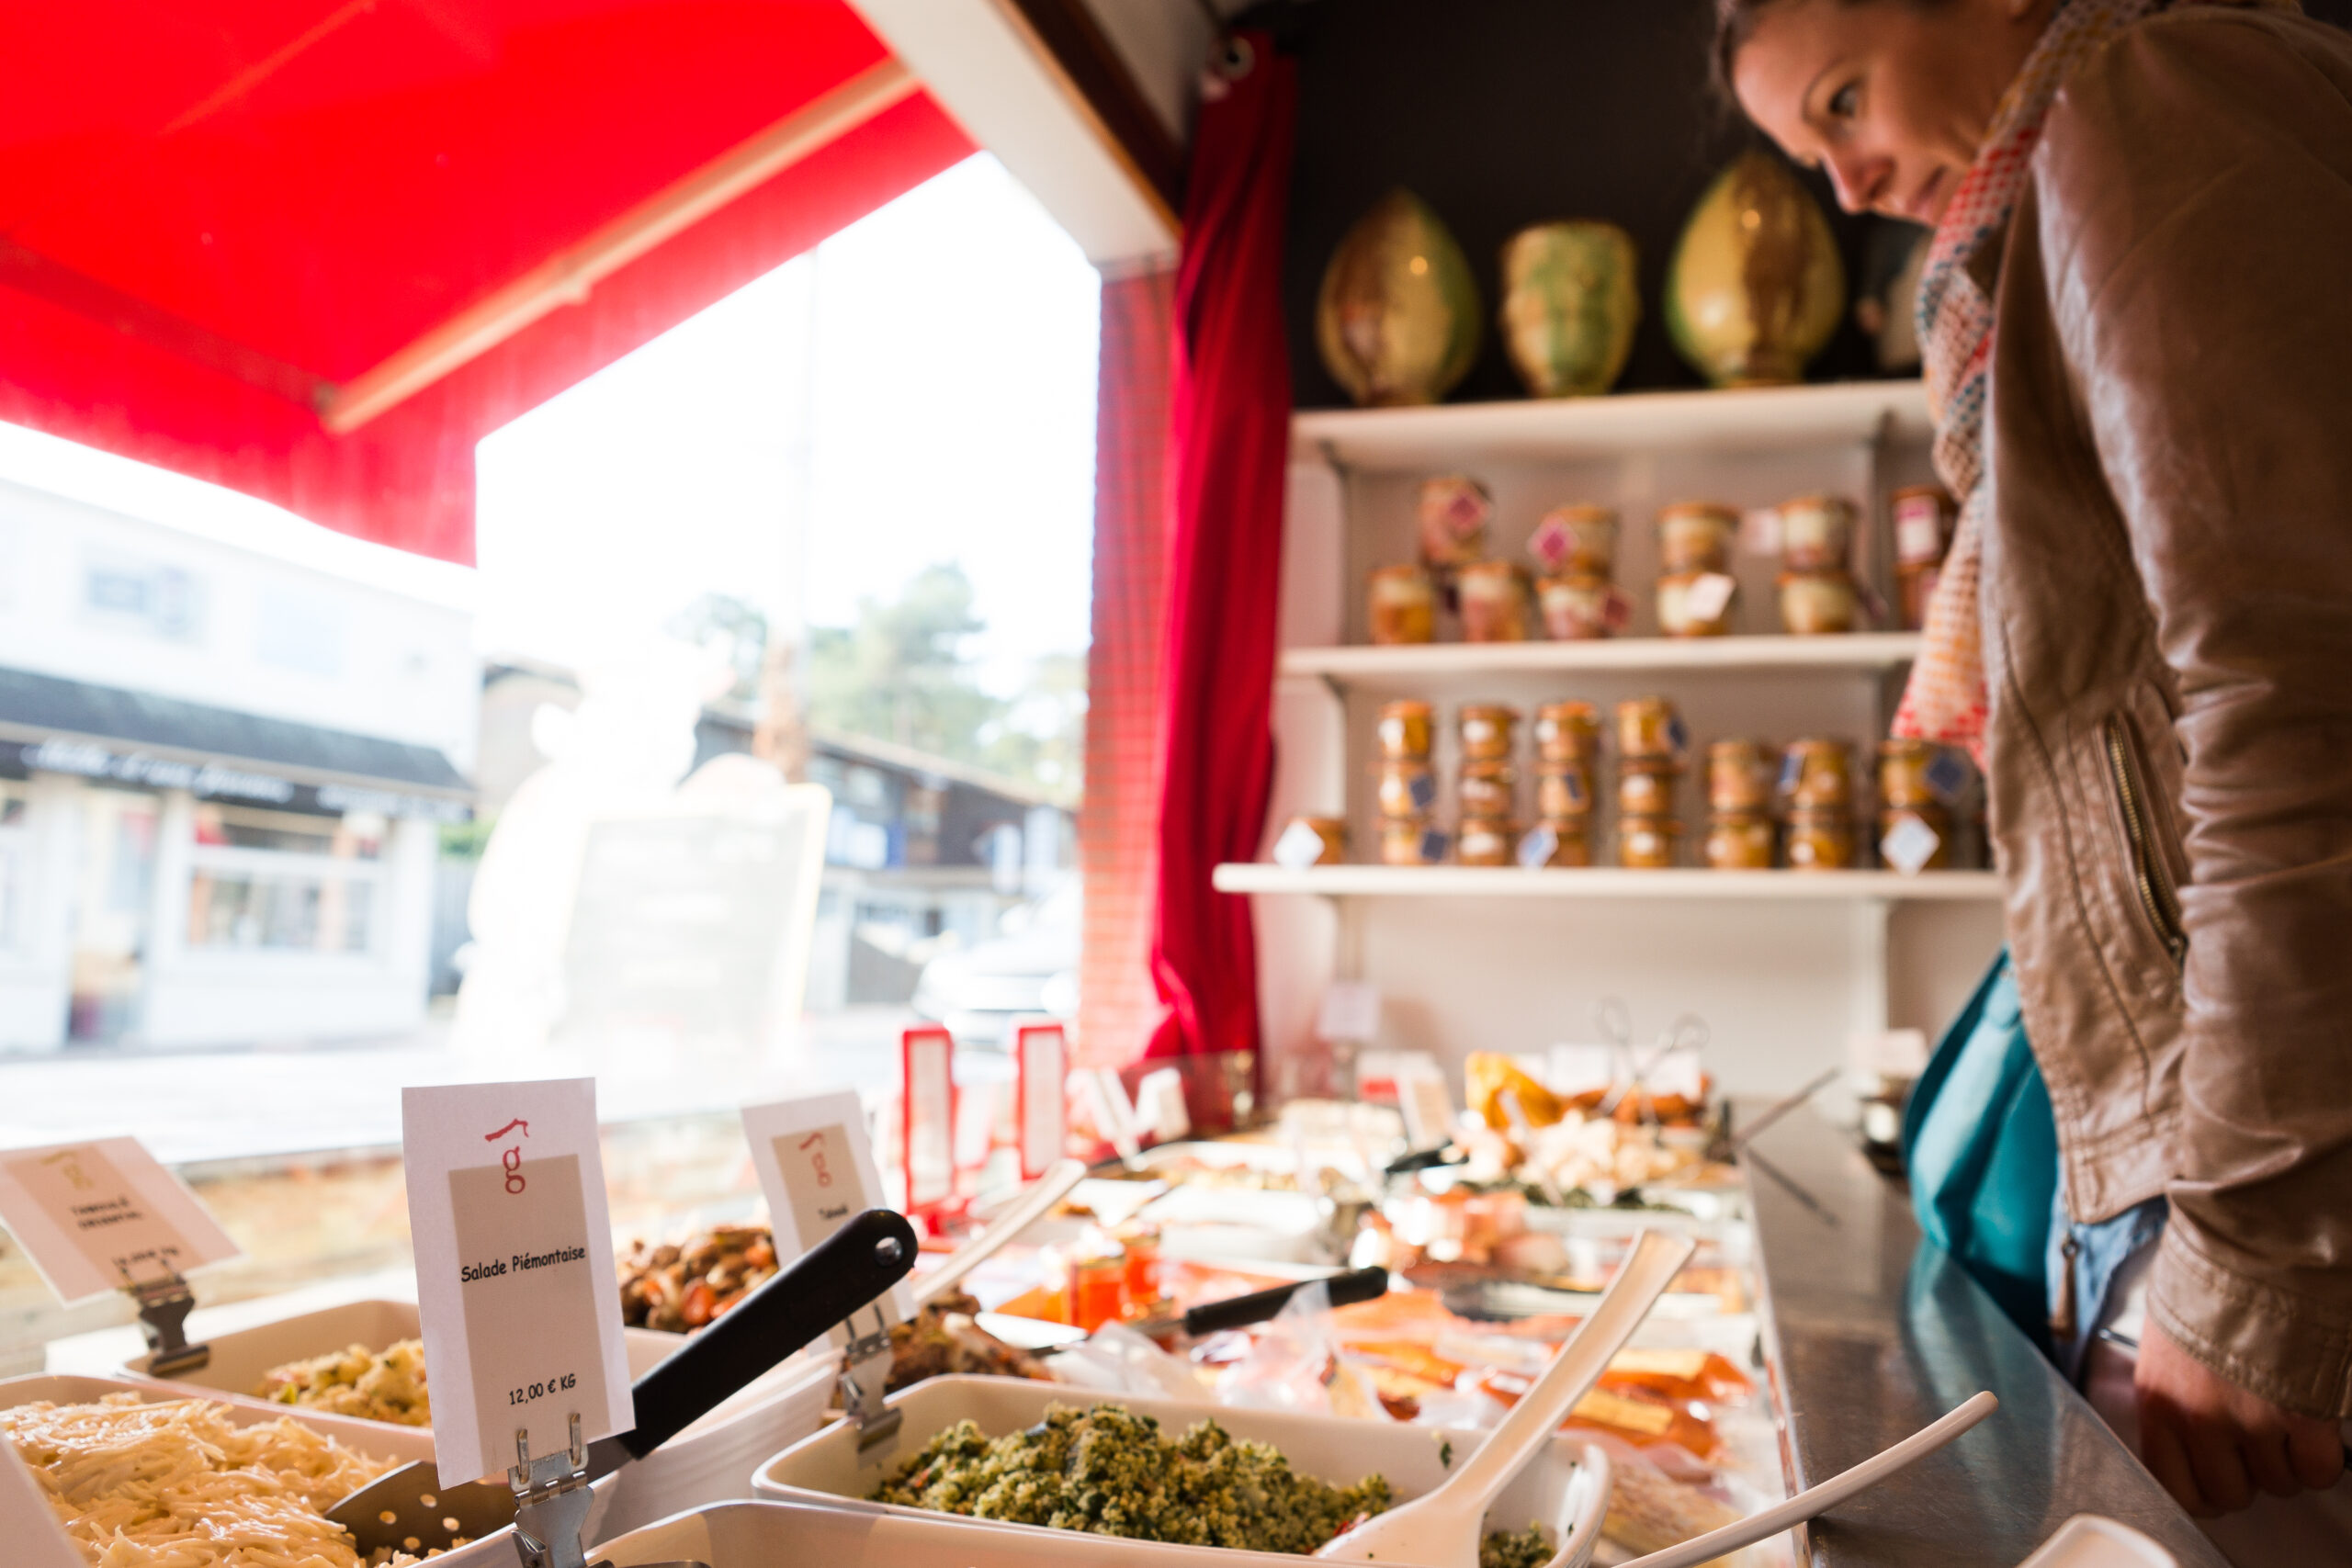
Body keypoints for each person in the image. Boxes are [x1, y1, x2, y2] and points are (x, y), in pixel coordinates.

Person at [1716, 0, 2352, 1543]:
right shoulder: (2070, 197)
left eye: (1847, 102)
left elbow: (2293, 693)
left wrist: (2256, 1259)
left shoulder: (2148, 91)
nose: (1848, 188)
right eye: (1814, 154)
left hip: (2263, 1188)